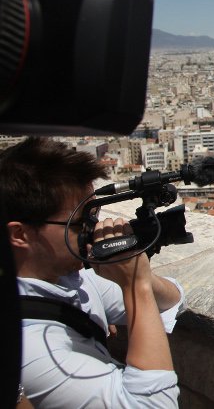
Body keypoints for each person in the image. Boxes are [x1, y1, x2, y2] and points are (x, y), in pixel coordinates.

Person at [1, 137, 185, 409]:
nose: (92, 229)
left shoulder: (69, 280)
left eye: (93, 214)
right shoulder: (30, 350)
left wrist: (136, 277)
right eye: (79, 223)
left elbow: (172, 300)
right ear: (19, 234)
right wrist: (135, 286)